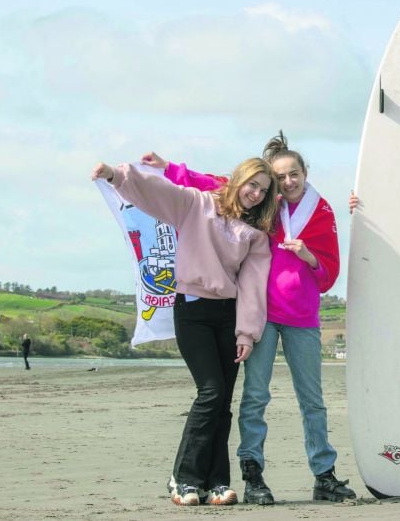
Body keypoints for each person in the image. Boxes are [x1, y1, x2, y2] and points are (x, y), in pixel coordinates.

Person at [141, 131, 355, 505]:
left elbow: (329, 274)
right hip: (262, 316)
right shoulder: (261, 206)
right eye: (281, 176)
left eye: (295, 175)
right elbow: (216, 184)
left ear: (306, 174)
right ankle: (253, 473)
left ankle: (324, 474)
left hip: (303, 317)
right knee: (255, 397)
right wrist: (169, 169)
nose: (288, 182)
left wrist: (309, 254)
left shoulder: (322, 211)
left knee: (313, 401)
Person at [92, 156, 276, 507]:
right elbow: (158, 191)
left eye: (264, 190)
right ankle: (184, 478)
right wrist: (117, 176)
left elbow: (253, 285)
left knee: (223, 402)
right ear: (238, 180)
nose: (256, 193)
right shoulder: (198, 203)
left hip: (228, 315)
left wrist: (246, 333)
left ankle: (218, 482)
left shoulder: (255, 234)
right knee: (211, 391)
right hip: (192, 310)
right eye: (253, 184)